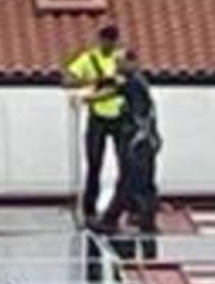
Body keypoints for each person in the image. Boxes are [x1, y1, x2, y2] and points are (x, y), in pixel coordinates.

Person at [63, 24, 127, 230]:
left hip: (120, 118)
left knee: (126, 166)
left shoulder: (120, 59)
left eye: (113, 41)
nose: (109, 45)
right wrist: (92, 81)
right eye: (106, 41)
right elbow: (68, 79)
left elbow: (122, 86)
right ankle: (89, 211)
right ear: (100, 40)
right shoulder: (89, 59)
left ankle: (122, 209)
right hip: (98, 118)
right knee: (94, 166)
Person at [108, 50, 161, 233]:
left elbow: (141, 117)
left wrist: (136, 139)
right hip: (144, 140)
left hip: (139, 142)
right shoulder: (135, 83)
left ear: (132, 62)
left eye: (119, 63)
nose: (116, 67)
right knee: (141, 183)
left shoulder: (135, 84)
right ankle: (143, 219)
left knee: (131, 181)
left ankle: (111, 218)